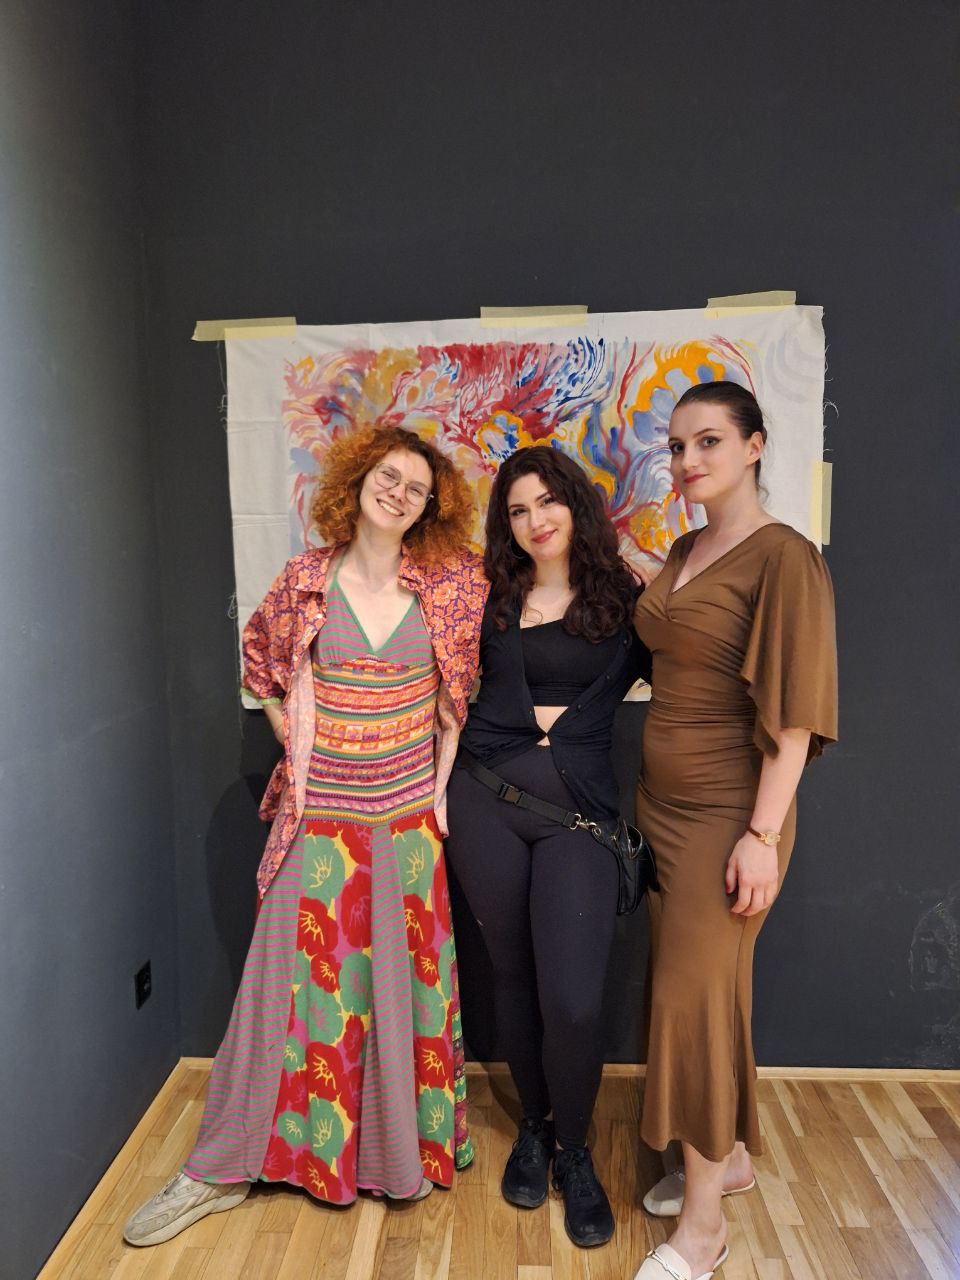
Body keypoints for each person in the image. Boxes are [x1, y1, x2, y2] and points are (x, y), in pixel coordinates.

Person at [124, 425, 488, 1246]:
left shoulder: (453, 585)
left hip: (406, 828)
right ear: (357, 481)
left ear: (430, 508)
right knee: (283, 992)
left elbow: (459, 695)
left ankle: (393, 1156)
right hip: (319, 820)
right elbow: (261, 667)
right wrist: (297, 738)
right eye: (387, 476)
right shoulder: (305, 581)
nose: (398, 494)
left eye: (416, 488)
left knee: (398, 995)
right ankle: (223, 1167)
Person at [632, 382, 838, 1280]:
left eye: (708, 441)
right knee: (706, 999)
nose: (687, 461)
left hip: (730, 816)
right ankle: (734, 1158)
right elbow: (673, 636)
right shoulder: (686, 549)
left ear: (754, 445)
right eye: (677, 446)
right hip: (659, 809)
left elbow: (794, 719)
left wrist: (762, 832)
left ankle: (705, 1226)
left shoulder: (785, 556)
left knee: (696, 1002)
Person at [445, 445, 649, 1249]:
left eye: (547, 502)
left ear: (576, 503)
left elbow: (701, 666)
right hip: (484, 802)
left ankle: (575, 1151)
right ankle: (534, 1126)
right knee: (513, 976)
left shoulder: (628, 599)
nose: (535, 520)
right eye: (518, 510)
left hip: (579, 819)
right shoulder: (486, 597)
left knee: (573, 999)